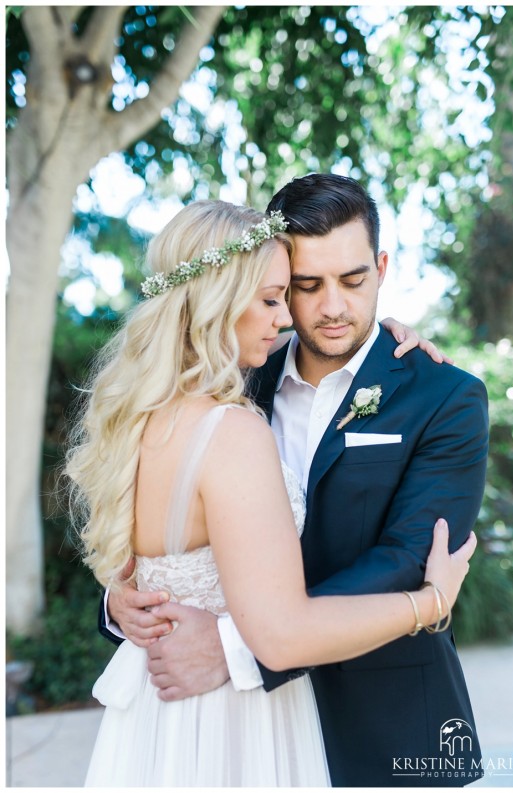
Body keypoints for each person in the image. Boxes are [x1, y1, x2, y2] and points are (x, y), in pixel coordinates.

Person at [69, 199, 475, 787]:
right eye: (297, 288)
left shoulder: (442, 394)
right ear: (219, 298)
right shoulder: (236, 391)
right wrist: (122, 604)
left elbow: (406, 556)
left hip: (382, 721)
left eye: (353, 280)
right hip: (230, 718)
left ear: (382, 269)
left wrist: (235, 645)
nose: (315, 310)